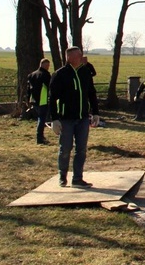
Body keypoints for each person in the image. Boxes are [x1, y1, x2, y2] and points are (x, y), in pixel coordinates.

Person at [49, 46, 100, 188]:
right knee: (65, 148)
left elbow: (92, 93)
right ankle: (62, 176)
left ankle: (77, 178)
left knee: (81, 149)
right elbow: (52, 98)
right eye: (78, 55)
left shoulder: (85, 72)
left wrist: (95, 112)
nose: (81, 57)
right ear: (70, 58)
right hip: (66, 119)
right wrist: (54, 119)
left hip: (83, 117)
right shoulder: (59, 75)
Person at [27, 58, 52, 145]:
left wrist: (28, 100)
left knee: (39, 118)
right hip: (42, 100)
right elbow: (50, 87)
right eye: (48, 65)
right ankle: (39, 138)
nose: (48, 67)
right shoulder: (45, 75)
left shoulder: (32, 75)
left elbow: (28, 89)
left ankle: (40, 137)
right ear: (44, 65)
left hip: (33, 100)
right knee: (42, 119)